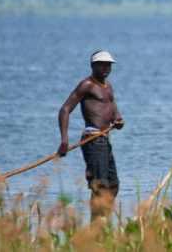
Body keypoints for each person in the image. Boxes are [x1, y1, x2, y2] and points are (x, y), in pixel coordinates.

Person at [57, 50, 124, 220]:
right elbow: (65, 110)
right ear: (92, 65)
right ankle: (96, 225)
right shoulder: (86, 85)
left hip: (105, 140)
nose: (105, 68)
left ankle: (103, 220)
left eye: (108, 64)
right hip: (93, 139)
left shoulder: (108, 86)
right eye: (101, 64)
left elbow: (115, 113)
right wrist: (64, 141)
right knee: (99, 185)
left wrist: (118, 121)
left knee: (113, 185)